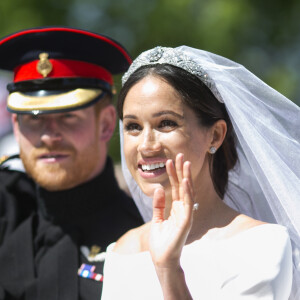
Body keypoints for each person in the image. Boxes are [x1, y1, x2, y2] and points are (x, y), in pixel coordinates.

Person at [101, 46, 300, 299]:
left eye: (166, 123)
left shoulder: (260, 246)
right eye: (133, 127)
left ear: (215, 135)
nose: (145, 145)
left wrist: (168, 270)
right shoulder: (122, 250)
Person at [0, 27, 143, 300]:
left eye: (68, 117)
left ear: (106, 124)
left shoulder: (141, 234)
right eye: (33, 118)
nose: (49, 135)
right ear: (16, 127)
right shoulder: (7, 210)